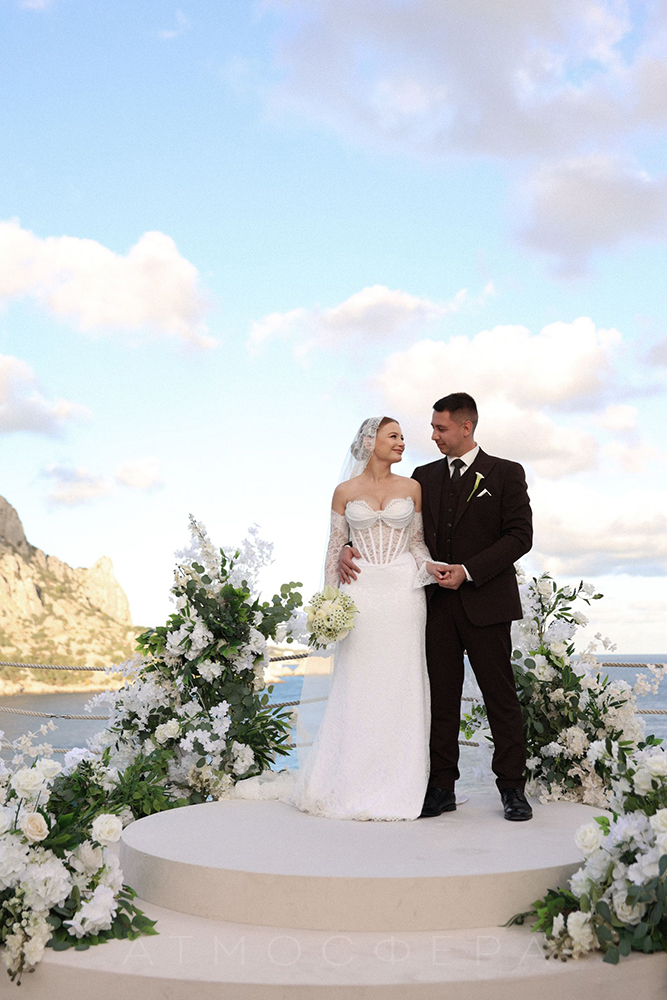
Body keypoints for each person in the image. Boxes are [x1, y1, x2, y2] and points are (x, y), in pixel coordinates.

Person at [339, 393, 534, 822]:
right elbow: (394, 528)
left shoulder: (505, 473)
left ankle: (512, 789)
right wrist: (347, 548)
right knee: (440, 700)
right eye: (432, 427)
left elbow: (520, 536)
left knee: (500, 698)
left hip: (487, 603)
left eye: (440, 428)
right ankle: (442, 787)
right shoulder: (422, 477)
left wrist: (469, 570)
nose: (433, 436)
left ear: (466, 427)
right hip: (434, 605)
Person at [289, 416, 443, 821]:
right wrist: (328, 604)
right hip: (359, 592)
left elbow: (417, 543)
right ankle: (350, 782)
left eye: (403, 437)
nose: (402, 442)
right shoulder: (344, 491)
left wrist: (432, 568)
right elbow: (334, 547)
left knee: (402, 683)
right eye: (394, 436)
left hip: (404, 594)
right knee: (357, 683)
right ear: (371, 441)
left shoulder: (412, 488)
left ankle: (401, 785)